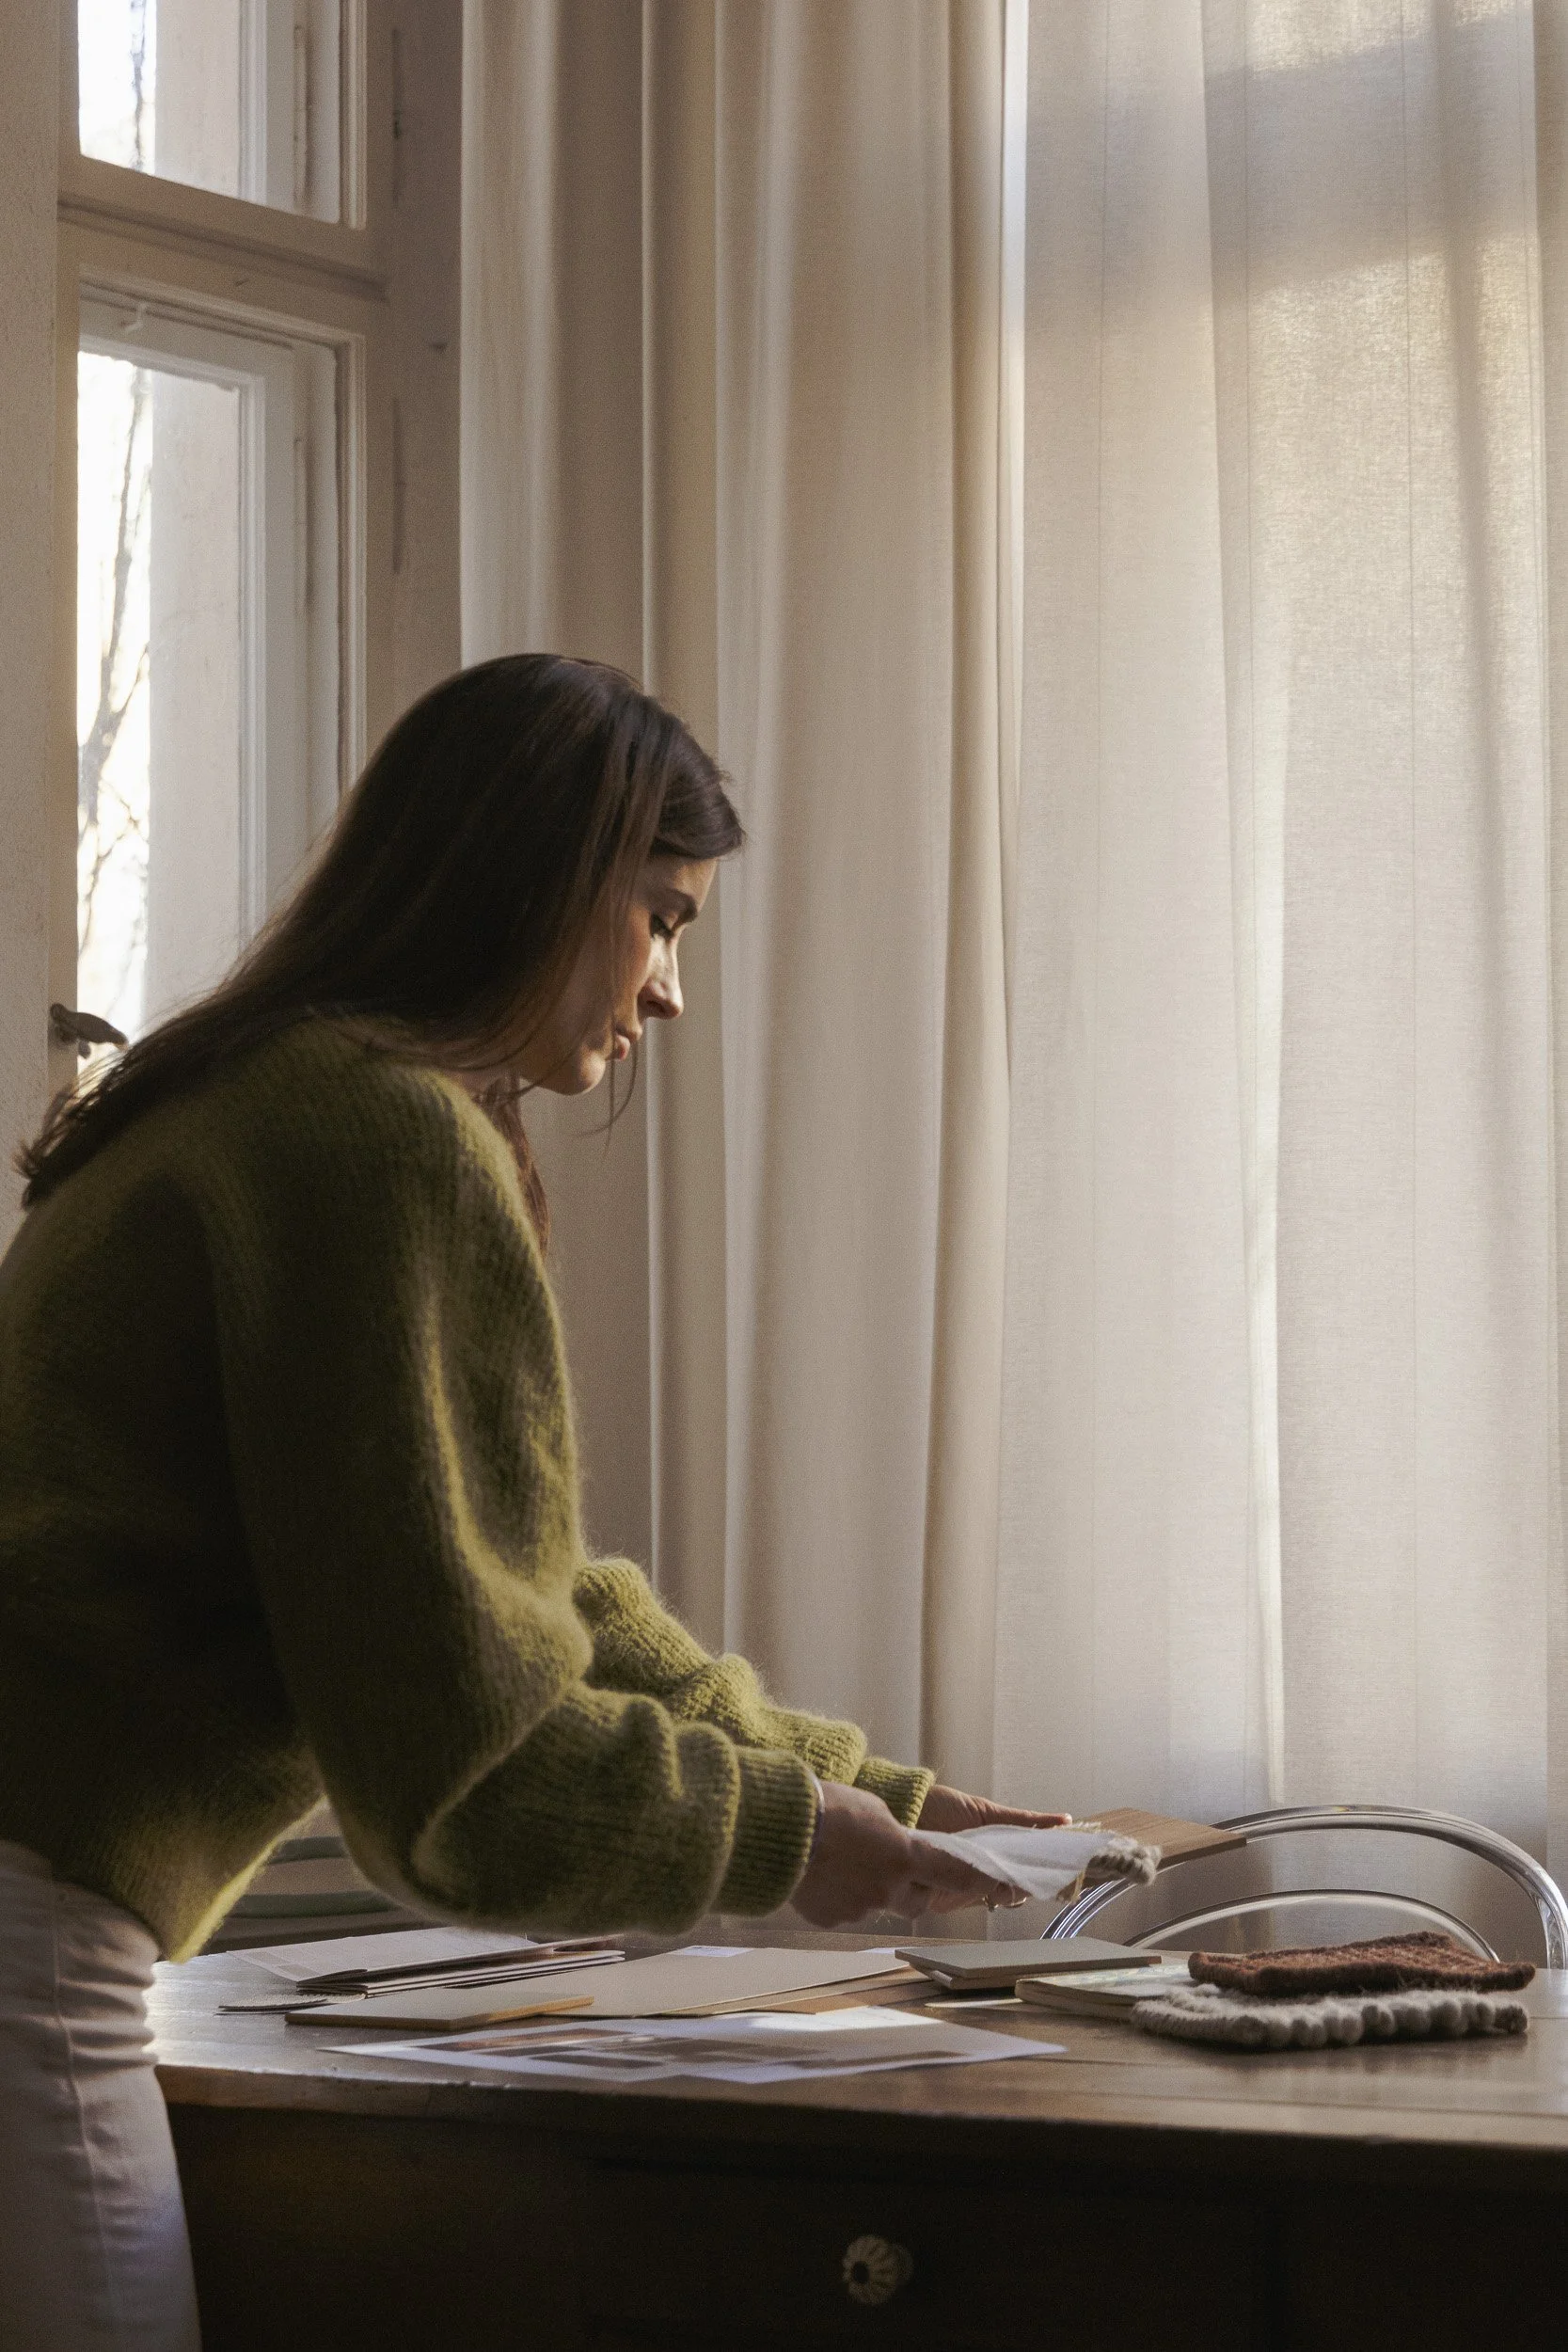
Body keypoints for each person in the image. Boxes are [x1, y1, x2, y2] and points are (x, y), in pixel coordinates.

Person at [0, 655, 1063, 2349]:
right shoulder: (379, 1139)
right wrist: (802, 1843)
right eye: (659, 918)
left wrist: (873, 1797)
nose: (667, 991)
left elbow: (530, 1601)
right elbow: (465, 1779)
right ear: (539, 882)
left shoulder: (248, 1096)